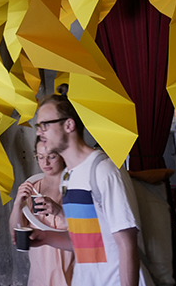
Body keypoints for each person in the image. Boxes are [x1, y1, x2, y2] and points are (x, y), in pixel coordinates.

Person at [30, 94, 149, 286]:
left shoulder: (103, 170)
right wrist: (44, 237)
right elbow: (84, 241)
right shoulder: (68, 176)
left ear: (69, 125)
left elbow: (127, 244)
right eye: (38, 126)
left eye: (45, 125)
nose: (40, 133)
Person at [9, 137, 74, 286]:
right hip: (40, 272)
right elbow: (16, 231)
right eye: (40, 157)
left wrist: (59, 212)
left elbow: (89, 231)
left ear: (62, 155)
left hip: (72, 269)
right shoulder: (32, 188)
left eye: (51, 156)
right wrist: (18, 203)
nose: (45, 163)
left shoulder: (75, 186)